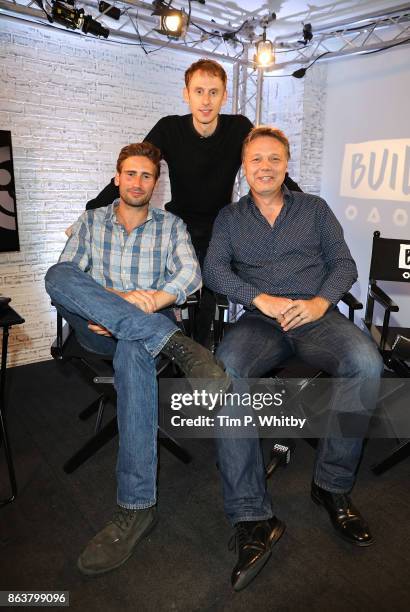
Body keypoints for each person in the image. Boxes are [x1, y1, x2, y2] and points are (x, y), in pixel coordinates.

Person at [203, 126, 384, 591]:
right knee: (227, 372)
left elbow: (344, 264)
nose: (265, 166)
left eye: (274, 158)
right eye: (255, 159)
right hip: (262, 322)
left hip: (315, 317)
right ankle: (250, 516)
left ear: (286, 163)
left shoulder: (314, 209)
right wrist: (257, 298)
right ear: (244, 168)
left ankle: (332, 484)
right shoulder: (229, 218)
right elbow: (215, 269)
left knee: (366, 362)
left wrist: (321, 303)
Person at [45, 142, 230, 577]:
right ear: (117, 177)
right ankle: (179, 346)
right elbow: (68, 273)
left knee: (133, 348)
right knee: (56, 275)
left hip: (135, 334)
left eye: (147, 175)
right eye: (130, 173)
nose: (138, 182)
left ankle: (136, 508)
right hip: (96, 331)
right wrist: (118, 304)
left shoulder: (171, 226)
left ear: (156, 182)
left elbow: (190, 276)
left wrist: (138, 312)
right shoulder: (91, 222)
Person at [85, 59, 301, 347]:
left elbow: (268, 166)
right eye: (199, 91)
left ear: (225, 96)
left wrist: (304, 206)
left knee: (211, 289)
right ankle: (167, 344)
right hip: (178, 227)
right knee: (172, 290)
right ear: (186, 94)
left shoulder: (239, 128)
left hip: (221, 227)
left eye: (214, 92)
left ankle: (197, 352)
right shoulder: (169, 128)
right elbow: (137, 166)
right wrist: (91, 211)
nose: (206, 101)